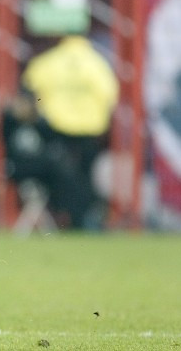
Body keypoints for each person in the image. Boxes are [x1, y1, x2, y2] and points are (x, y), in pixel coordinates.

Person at [22, 35, 118, 228]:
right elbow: (110, 96)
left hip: (56, 128)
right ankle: (83, 218)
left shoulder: (48, 60)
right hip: (90, 130)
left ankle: (65, 215)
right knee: (85, 176)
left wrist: (42, 107)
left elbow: (29, 89)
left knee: (62, 176)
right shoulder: (97, 63)